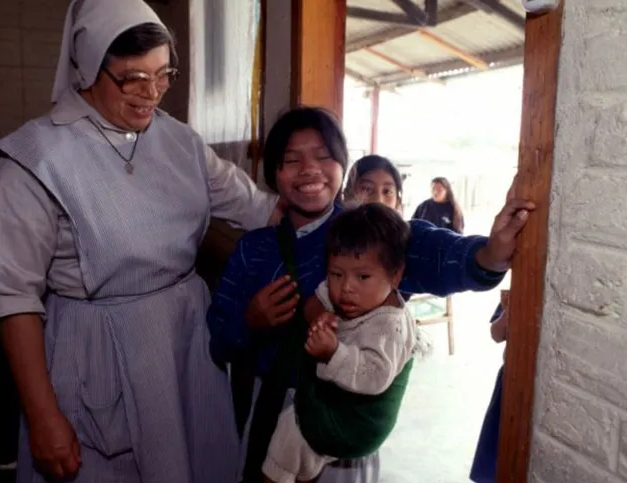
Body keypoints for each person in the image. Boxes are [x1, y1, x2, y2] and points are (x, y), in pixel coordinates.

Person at [0, 1, 281, 482]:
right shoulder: (34, 162)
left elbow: (259, 208)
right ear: (90, 66)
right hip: (97, 350)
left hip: (184, 343)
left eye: (163, 75)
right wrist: (43, 416)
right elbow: (13, 296)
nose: (151, 93)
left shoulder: (181, 143)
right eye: (133, 77)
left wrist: (351, 218)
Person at [206, 108, 534, 483]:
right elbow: (218, 341)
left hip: (346, 422)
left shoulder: (370, 233)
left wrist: (490, 252)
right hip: (269, 412)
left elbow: (430, 251)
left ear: (342, 166)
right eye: (291, 160)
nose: (309, 169)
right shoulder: (253, 249)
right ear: (274, 174)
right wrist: (250, 321)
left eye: (324, 156)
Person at [261, 204, 431, 483]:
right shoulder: (342, 290)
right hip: (330, 405)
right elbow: (313, 303)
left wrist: (332, 352)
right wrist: (321, 316)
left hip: (357, 424)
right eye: (336, 274)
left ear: (396, 275)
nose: (346, 287)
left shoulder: (390, 325)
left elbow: (374, 376)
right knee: (292, 436)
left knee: (291, 431)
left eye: (362, 276)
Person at [470, 296, 508, 483]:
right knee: (496, 445)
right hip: (510, 378)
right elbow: (496, 334)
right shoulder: (518, 289)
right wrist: (510, 311)